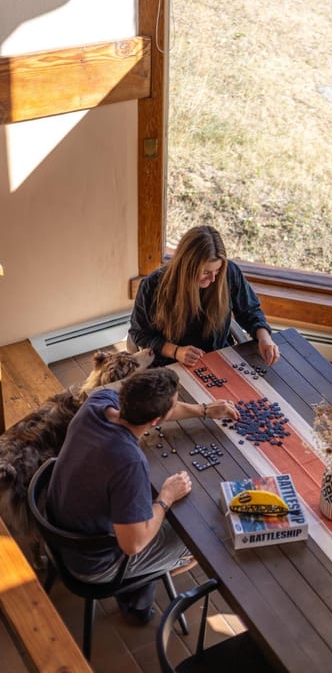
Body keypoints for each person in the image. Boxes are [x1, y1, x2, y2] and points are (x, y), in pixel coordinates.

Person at [46, 367, 238, 625]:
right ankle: (136, 595)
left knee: (142, 508)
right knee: (202, 536)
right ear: (155, 422)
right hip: (92, 564)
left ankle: (138, 594)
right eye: (173, 404)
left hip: (58, 526)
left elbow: (159, 411)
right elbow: (133, 545)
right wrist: (166, 497)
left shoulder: (96, 403)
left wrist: (203, 410)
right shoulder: (129, 463)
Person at [128, 225, 280, 368]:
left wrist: (264, 337)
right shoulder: (153, 286)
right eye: (206, 272)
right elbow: (139, 334)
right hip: (171, 365)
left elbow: (250, 311)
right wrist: (176, 351)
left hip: (219, 358)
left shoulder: (229, 273)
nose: (213, 278)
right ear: (187, 266)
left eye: (218, 270)